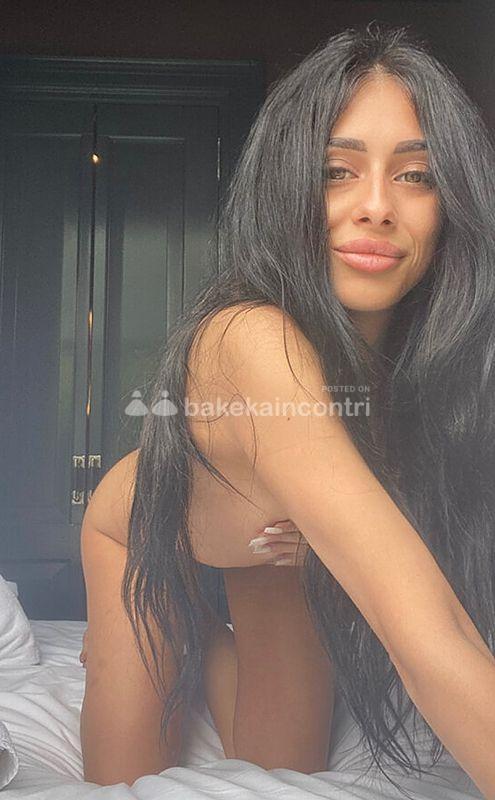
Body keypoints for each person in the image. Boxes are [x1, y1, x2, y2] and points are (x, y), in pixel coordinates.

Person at [80, 21, 495, 798]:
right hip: (140, 529)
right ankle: (183, 619)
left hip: (281, 545)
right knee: (121, 782)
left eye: (416, 175)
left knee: (284, 770)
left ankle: (207, 634)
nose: (376, 207)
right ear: (286, 187)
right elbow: (426, 632)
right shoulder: (250, 339)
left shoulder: (437, 366)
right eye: (336, 171)